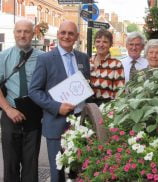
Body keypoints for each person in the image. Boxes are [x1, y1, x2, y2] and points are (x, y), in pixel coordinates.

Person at [29, 20, 90, 182]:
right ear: (57, 35)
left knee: (79, 168)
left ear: (76, 36)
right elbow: (34, 91)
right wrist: (56, 107)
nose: (66, 36)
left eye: (71, 33)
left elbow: (84, 85)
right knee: (58, 171)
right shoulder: (46, 59)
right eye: (63, 32)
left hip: (79, 123)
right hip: (56, 122)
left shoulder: (83, 58)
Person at [0, 19, 43, 182]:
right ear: (14, 33)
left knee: (31, 165)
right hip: (10, 113)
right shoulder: (3, 57)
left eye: (26, 31)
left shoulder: (43, 58)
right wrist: (8, 110)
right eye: (19, 31)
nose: (22, 35)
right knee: (10, 164)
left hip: (33, 115)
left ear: (33, 34)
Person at [90, 29, 125, 106]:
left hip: (105, 109)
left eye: (105, 42)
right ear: (94, 43)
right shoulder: (87, 61)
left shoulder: (116, 64)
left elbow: (120, 93)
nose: (101, 44)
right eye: (98, 41)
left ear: (110, 44)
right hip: (86, 108)